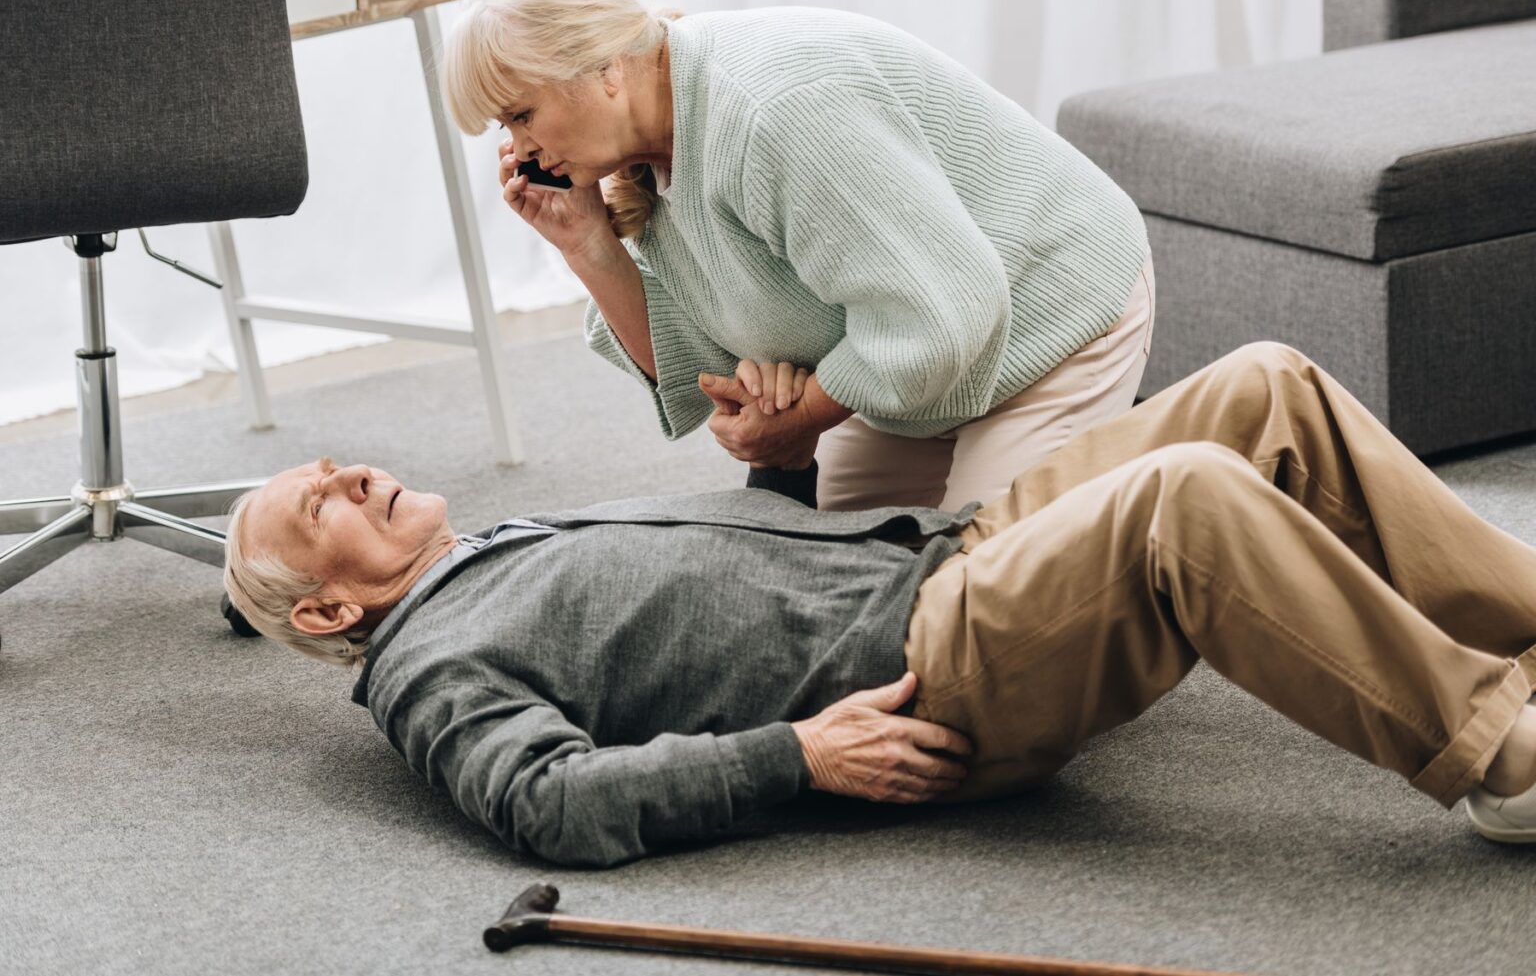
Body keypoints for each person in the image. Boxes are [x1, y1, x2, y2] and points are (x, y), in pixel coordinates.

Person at [221, 341, 1536, 866]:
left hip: (941, 552)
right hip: (929, 661)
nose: (350, 471)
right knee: (1183, 498)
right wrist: (797, 754)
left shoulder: (488, 550)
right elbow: (545, 802)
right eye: (321, 501)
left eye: (332, 464)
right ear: (333, 613)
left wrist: (784, 459)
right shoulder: (427, 667)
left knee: (1262, 385)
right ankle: (1499, 755)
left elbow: (720, 588)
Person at [438, 0, 1155, 512]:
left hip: (1052, 314)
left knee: (980, 619)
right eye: (505, 127)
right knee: (825, 581)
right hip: (921, 363)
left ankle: (1173, 457)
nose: (519, 150)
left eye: (521, 114)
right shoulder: (655, 151)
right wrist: (587, 245)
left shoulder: (771, 114)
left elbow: (947, 310)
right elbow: (700, 369)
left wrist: (808, 412)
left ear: (602, 70)